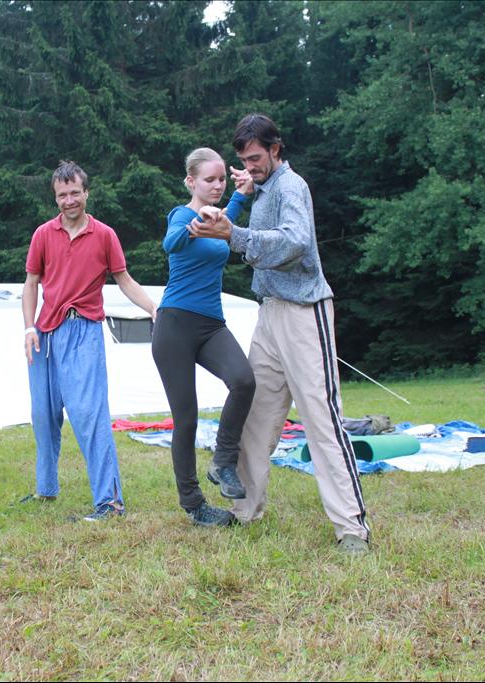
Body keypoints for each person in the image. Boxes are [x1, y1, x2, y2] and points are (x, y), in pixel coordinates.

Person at [188, 114, 371, 554]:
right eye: (244, 160)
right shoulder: (265, 188)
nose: (249, 167)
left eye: (256, 158)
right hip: (269, 313)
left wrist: (234, 235)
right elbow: (258, 218)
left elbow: (295, 242)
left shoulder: (291, 187)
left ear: (275, 149)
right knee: (256, 417)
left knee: (321, 420)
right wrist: (245, 192)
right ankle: (244, 510)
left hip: (305, 313)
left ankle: (351, 528)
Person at [22, 160, 157, 521]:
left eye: (75, 193)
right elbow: (31, 283)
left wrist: (153, 308)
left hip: (83, 330)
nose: (69, 200)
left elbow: (124, 280)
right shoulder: (43, 235)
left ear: (86, 193)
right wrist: (28, 328)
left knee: (88, 414)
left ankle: (110, 502)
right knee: (43, 415)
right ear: (55, 198)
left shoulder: (104, 235)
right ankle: (46, 488)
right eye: (62, 195)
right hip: (44, 334)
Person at [152, 147, 256, 527]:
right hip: (175, 325)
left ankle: (223, 462)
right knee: (187, 419)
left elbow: (228, 219)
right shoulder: (182, 215)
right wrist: (197, 221)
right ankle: (194, 505)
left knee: (244, 381)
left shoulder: (219, 218)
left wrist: (241, 193)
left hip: (211, 324)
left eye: (221, 179)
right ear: (191, 181)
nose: (216, 185)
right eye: (209, 180)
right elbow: (171, 243)